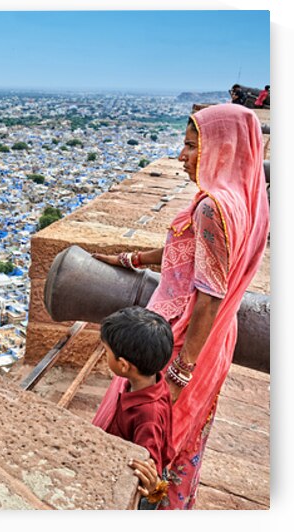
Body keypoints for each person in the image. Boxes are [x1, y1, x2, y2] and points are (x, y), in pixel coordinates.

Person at [91, 103, 269, 509]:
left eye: (191, 146)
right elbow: (190, 254)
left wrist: (177, 374)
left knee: (151, 435)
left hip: (181, 338)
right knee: (186, 438)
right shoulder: (244, 201)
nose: (181, 156)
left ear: (221, 149)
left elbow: (209, 295)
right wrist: (130, 259)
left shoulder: (212, 208)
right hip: (216, 339)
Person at [98, 306, 175, 510]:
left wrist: (152, 492)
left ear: (123, 365)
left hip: (139, 494)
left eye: (106, 352)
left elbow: (150, 472)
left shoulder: (147, 414)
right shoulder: (152, 381)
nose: (104, 355)